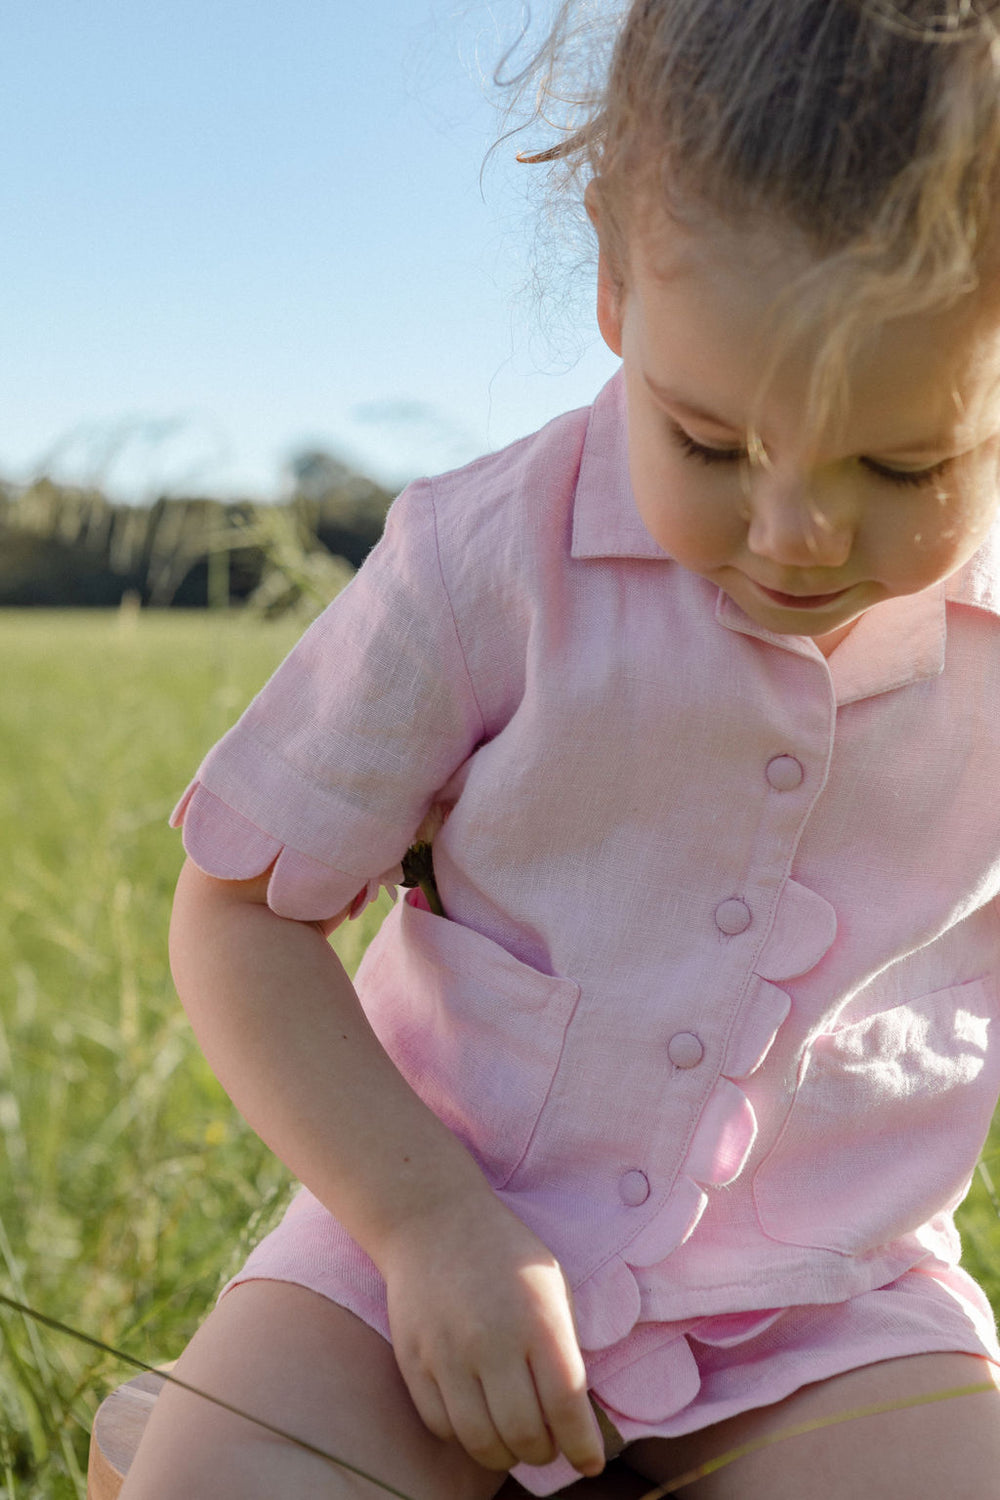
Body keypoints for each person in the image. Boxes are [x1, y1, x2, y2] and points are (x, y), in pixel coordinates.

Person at [121, 3, 1000, 1496]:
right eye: (710, 443)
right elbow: (239, 922)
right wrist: (424, 1229)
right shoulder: (486, 564)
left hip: (834, 1309)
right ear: (611, 272)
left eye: (903, 464)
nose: (794, 534)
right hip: (424, 1263)